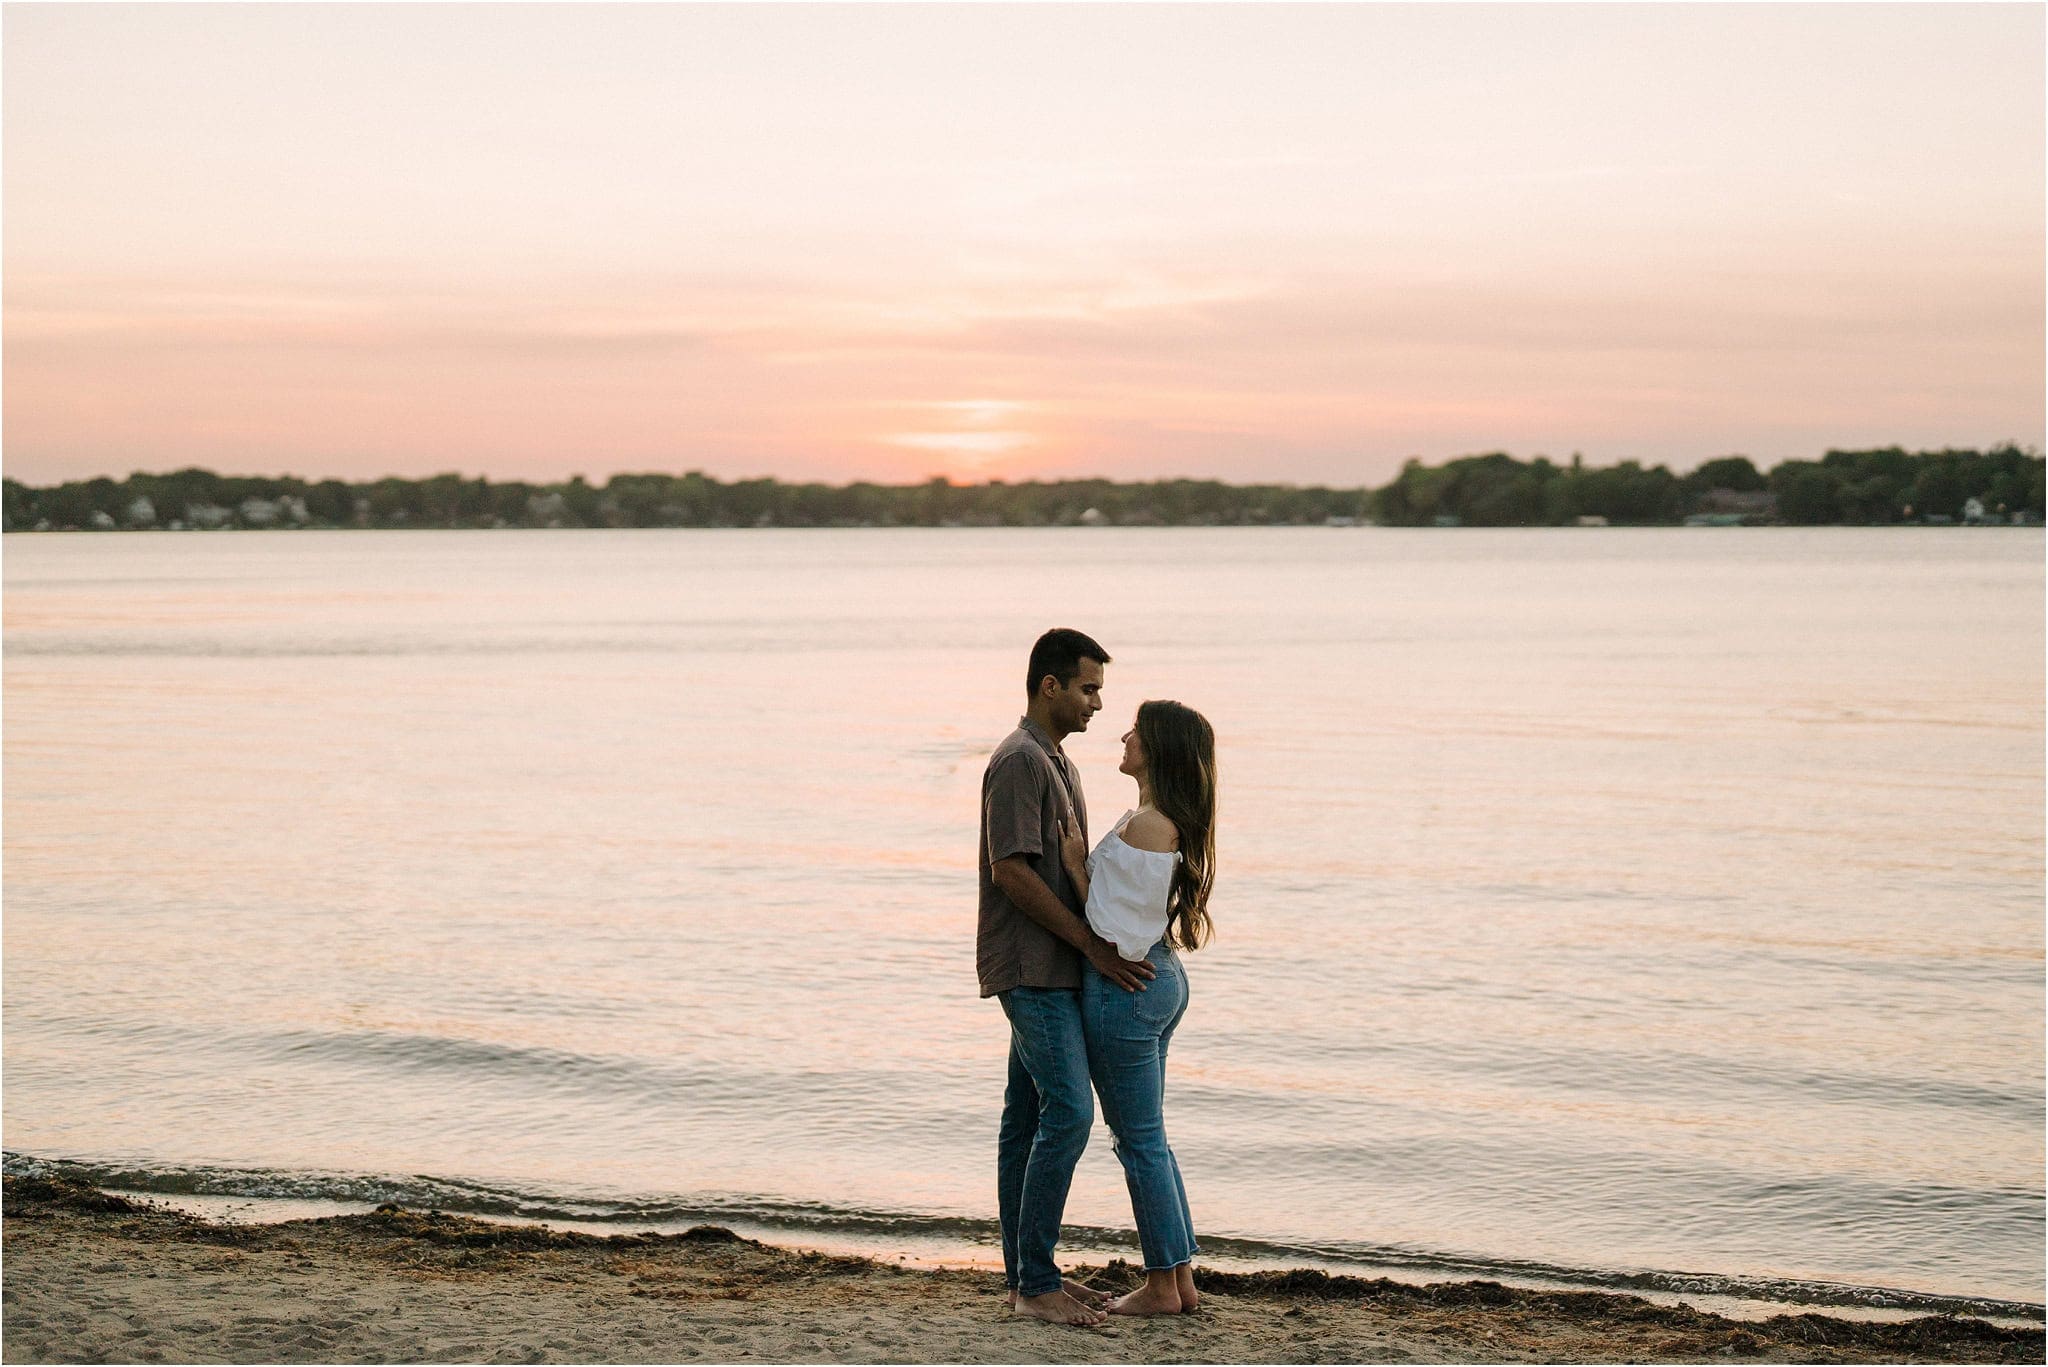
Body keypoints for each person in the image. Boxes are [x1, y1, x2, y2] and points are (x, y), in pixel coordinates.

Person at [978, 628, 1157, 1326]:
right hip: (1031, 967)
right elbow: (1012, 871)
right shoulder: (1020, 760)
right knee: (1071, 1113)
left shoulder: (1061, 764)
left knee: (1025, 1120)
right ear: (1048, 685)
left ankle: (1027, 1275)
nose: (1097, 705)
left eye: (1101, 691)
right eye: (1088, 689)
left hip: (1056, 967)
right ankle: (1037, 1281)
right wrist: (1091, 944)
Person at [1058, 699, 1217, 1316]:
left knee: (1139, 1140)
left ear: (1159, 748)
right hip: (1155, 978)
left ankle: (1160, 1286)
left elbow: (1118, 927)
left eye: (1137, 732)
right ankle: (1179, 1283)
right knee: (1149, 1138)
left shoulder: (1153, 825)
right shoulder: (1154, 817)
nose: (1124, 736)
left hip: (1132, 982)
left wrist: (1075, 869)